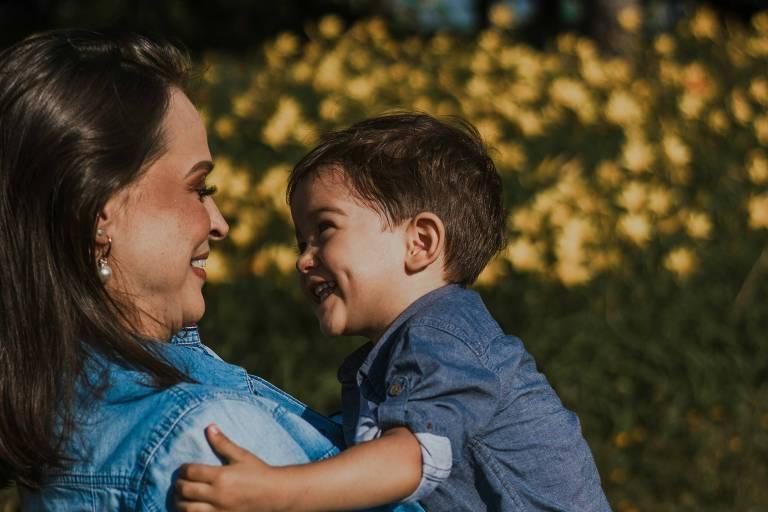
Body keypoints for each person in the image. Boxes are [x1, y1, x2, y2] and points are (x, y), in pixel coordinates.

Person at [0, 29, 418, 512]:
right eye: (199, 188)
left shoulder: (67, 419)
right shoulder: (206, 438)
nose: (219, 224)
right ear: (100, 212)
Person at [175, 113, 611, 511]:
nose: (303, 260)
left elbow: (408, 460)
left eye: (324, 230)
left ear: (419, 243)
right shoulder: (411, 345)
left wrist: (276, 491)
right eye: (300, 242)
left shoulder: (441, 335)